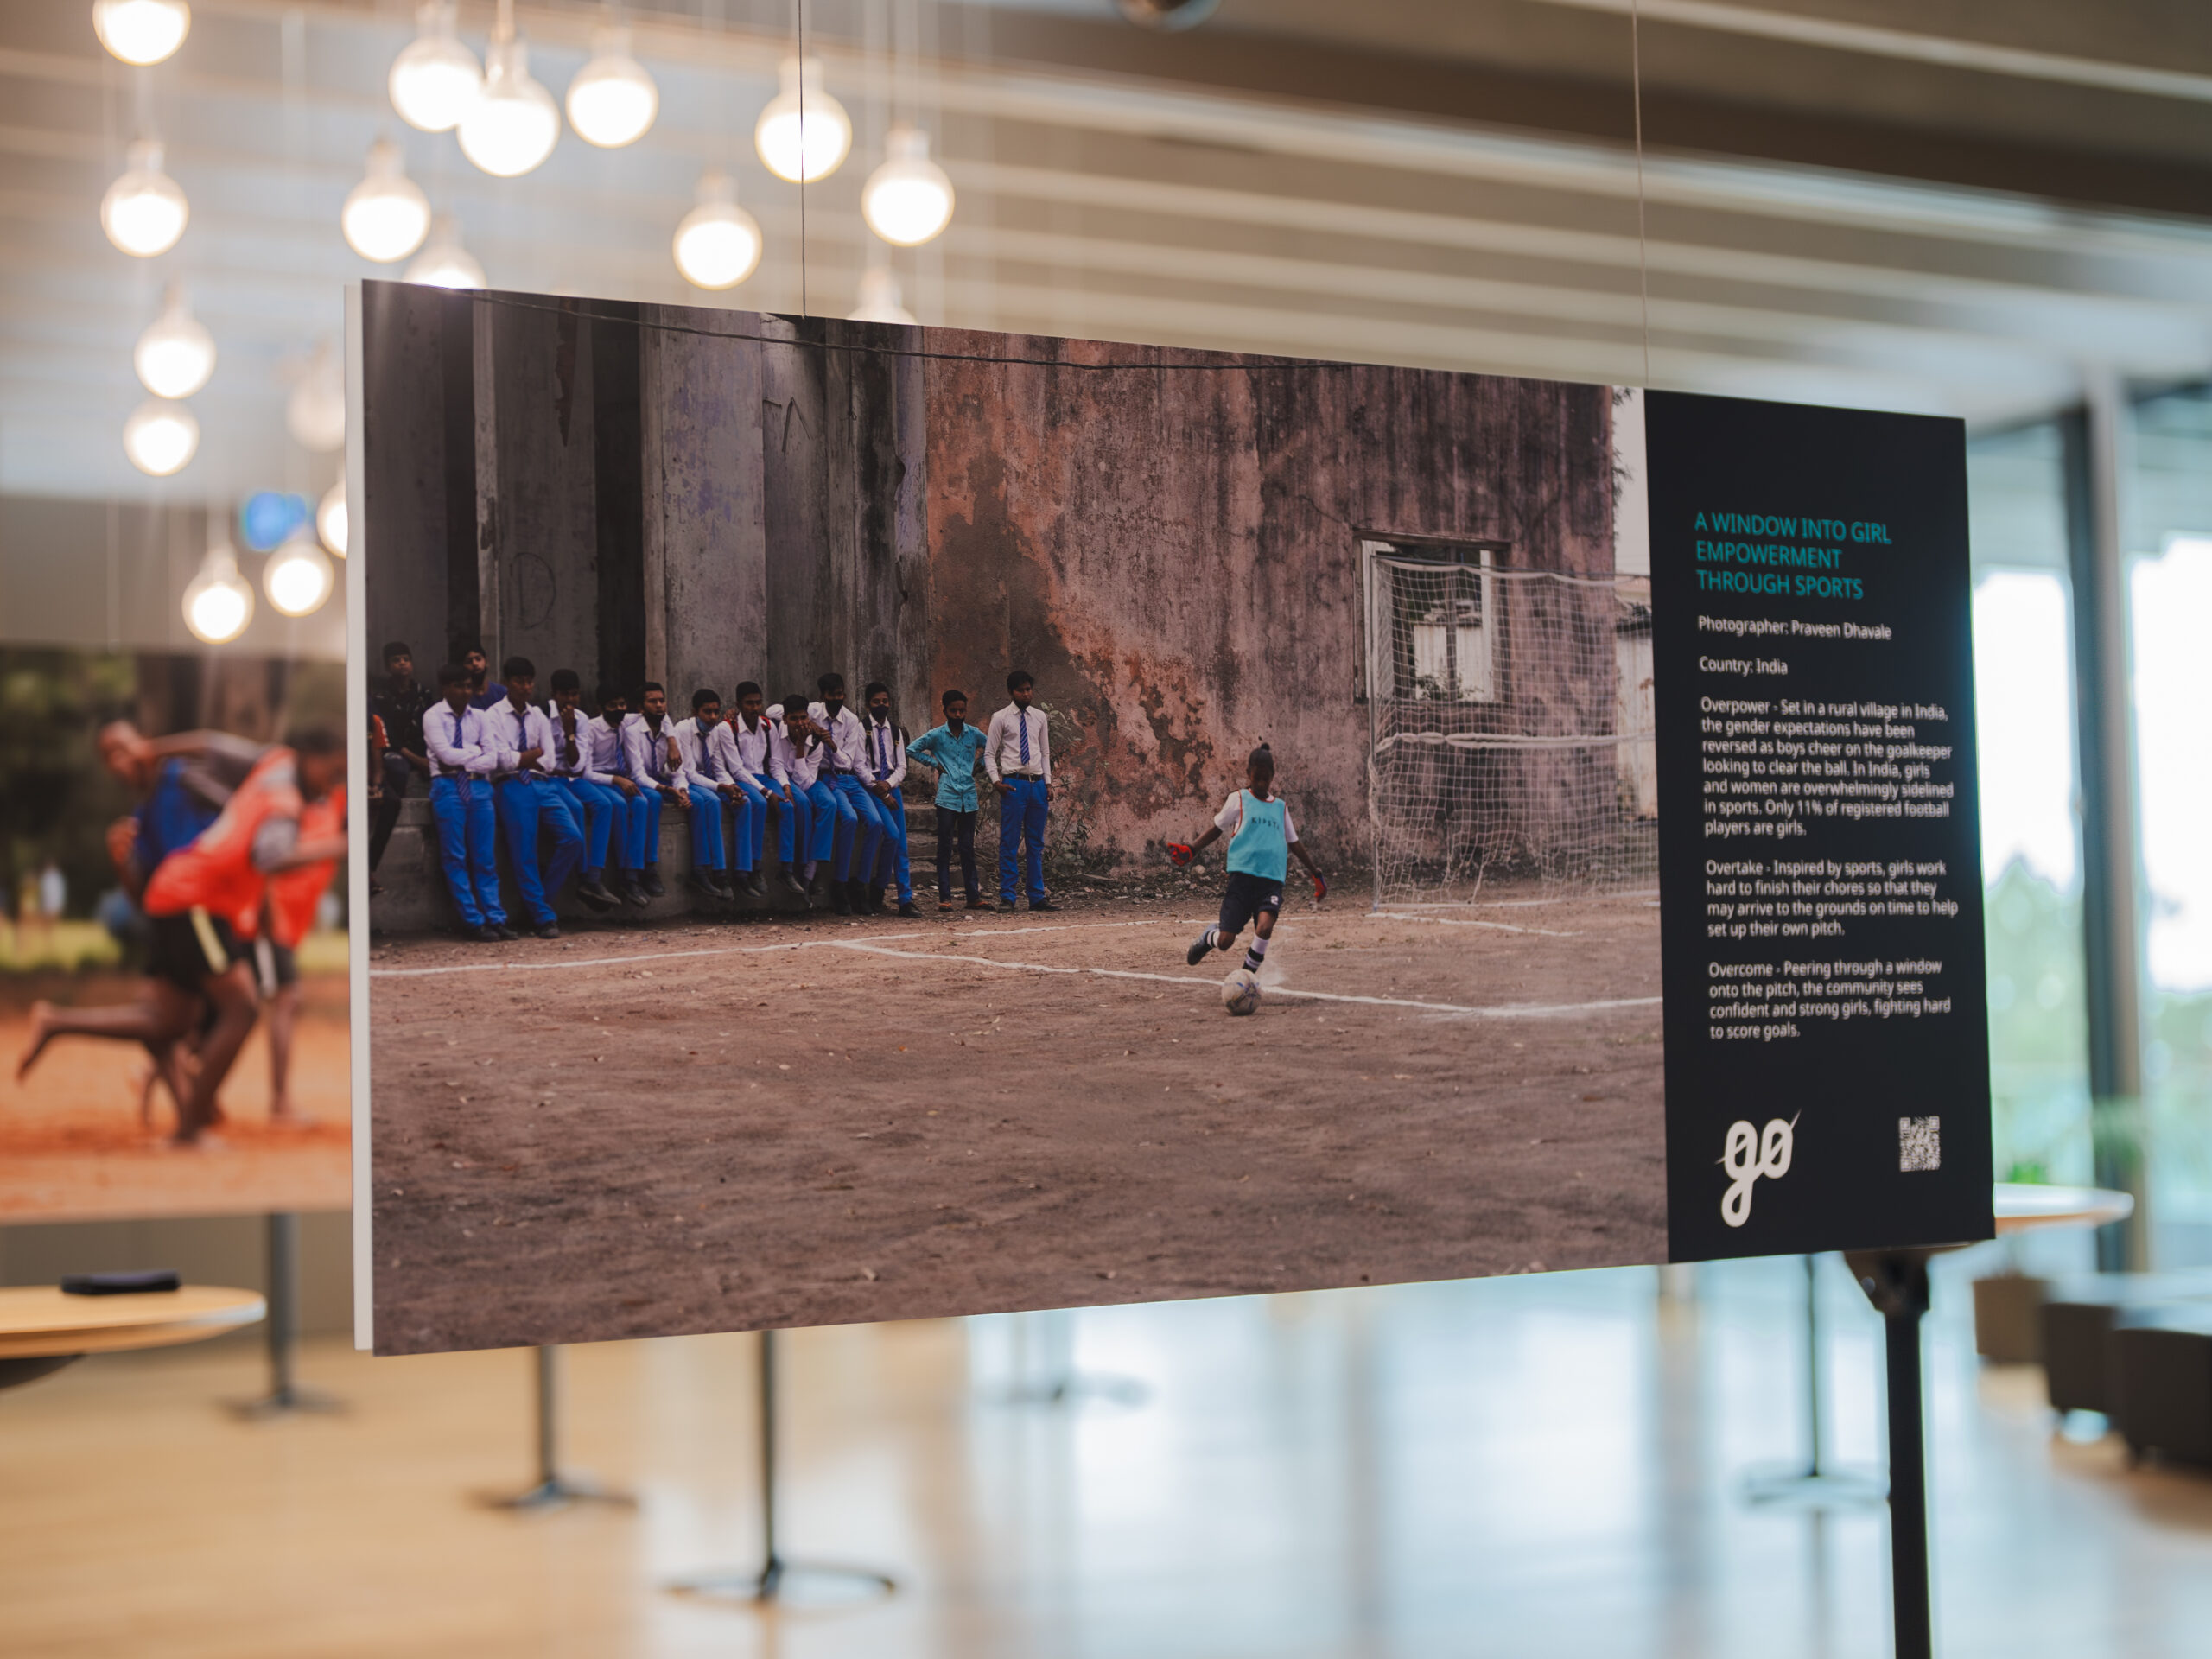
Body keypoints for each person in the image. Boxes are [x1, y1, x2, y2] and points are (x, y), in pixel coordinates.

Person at [19, 734, 349, 1145]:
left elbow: (210, 744)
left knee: (168, 1022)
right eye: (336, 769)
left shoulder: (271, 763)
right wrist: (340, 846)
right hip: (197, 899)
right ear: (311, 758)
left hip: (186, 896)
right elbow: (269, 855)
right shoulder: (282, 801)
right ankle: (190, 1128)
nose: (338, 780)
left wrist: (154, 749)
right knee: (242, 1008)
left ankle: (57, 1022)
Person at [1170, 741, 1327, 977]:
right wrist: (1192, 849)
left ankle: (1246, 978)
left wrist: (1315, 872)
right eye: (1257, 778)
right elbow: (1217, 829)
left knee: (1264, 928)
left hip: (1271, 882)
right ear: (1248, 774)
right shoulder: (1239, 799)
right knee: (1225, 941)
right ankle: (1209, 937)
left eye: (1266, 779)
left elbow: (1294, 843)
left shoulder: (1280, 808)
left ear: (1272, 776)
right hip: (1242, 881)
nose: (1261, 783)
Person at [257, 769, 346, 1125]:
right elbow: (268, 860)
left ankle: (159, 1071)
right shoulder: (290, 808)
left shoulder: (335, 802)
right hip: (270, 917)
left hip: (290, 924)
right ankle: (280, 1103)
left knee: (240, 1005)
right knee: (284, 999)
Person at [484, 657, 588, 937]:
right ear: (506, 683)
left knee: (572, 838)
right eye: (519, 682)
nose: (526, 687)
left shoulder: (538, 716)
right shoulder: (493, 715)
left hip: (543, 784)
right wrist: (532, 755)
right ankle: (542, 916)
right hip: (510, 785)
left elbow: (550, 761)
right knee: (524, 851)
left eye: (530, 682)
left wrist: (524, 757)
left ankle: (540, 902)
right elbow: (502, 760)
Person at [423, 662, 512, 943]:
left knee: (485, 857)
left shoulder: (481, 717)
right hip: (447, 786)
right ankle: (473, 921)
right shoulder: (433, 716)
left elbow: (493, 759)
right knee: (455, 856)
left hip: (480, 787)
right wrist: (475, 753)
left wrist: (463, 757)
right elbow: (445, 757)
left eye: (468, 686)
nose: (465, 692)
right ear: (445, 688)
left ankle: (496, 918)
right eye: (459, 686)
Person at [543, 669, 626, 912]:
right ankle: (582, 878)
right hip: (549, 779)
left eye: (575, 694)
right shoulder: (542, 716)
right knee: (577, 809)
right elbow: (546, 762)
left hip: (571, 777)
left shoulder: (580, 719)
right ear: (554, 694)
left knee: (604, 805)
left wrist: (569, 733)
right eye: (565, 695)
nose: (570, 700)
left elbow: (577, 765)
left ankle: (593, 877)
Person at [808, 672, 887, 917]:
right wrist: (813, 727)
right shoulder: (812, 711)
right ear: (823, 696)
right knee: (850, 819)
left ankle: (859, 884)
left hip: (849, 778)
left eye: (841, 694)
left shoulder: (851, 720)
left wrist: (831, 745)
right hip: (826, 778)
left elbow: (848, 760)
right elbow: (777, 711)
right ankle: (839, 884)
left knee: (876, 823)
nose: (837, 699)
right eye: (832, 695)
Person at [908, 688, 989, 911]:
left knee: (967, 847)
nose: (958, 715)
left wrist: (981, 764)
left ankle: (973, 896)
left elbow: (993, 746)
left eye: (962, 710)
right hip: (946, 797)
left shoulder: (973, 734)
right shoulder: (936, 735)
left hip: (969, 797)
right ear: (944, 710)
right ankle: (945, 897)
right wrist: (934, 764)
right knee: (944, 847)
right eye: (953, 710)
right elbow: (911, 749)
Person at [985, 669, 1056, 913]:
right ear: (1011, 692)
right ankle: (1008, 896)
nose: (1026, 694)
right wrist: (996, 781)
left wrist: (1048, 783)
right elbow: (989, 753)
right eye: (1021, 690)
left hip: (1037, 784)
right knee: (1010, 841)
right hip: (1014, 784)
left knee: (1036, 843)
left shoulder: (1040, 717)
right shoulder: (1001, 718)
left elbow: (1045, 752)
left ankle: (1037, 896)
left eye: (1028, 689)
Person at [585, 684, 655, 905]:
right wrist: (615, 780)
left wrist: (672, 740)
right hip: (599, 780)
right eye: (612, 706)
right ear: (600, 708)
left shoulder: (628, 721)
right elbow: (585, 772)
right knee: (618, 804)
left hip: (620, 779)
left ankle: (635, 871)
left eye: (622, 704)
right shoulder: (590, 729)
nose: (619, 710)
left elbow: (659, 715)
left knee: (642, 802)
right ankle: (626, 876)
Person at [367, 641, 432, 879]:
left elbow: (430, 728)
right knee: (397, 769)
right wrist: (417, 760)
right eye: (396, 660)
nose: (402, 663)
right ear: (388, 666)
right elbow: (387, 736)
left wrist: (428, 758)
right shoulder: (380, 696)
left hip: (421, 751)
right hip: (396, 751)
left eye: (406, 659)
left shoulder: (424, 694)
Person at [623, 683, 688, 903]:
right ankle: (643, 870)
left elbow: (678, 772)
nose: (659, 705)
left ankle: (705, 871)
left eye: (662, 701)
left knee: (697, 801)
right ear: (641, 708)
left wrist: (682, 791)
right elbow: (638, 775)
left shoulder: (670, 734)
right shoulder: (632, 732)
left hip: (662, 782)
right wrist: (667, 789)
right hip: (641, 783)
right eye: (652, 701)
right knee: (651, 799)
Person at [711, 683, 775, 899]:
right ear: (738, 704)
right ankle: (746, 869)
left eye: (758, 703)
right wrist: (766, 791)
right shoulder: (727, 728)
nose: (755, 708)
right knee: (755, 803)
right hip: (737, 778)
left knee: (790, 804)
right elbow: (737, 769)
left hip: (759, 778)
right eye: (749, 703)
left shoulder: (767, 725)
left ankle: (765, 867)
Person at [859, 682, 917, 918]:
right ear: (867, 705)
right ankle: (876, 890)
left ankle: (905, 899)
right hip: (872, 789)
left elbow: (902, 766)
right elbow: (859, 765)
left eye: (885, 701)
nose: (881, 705)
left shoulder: (895, 731)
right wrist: (880, 790)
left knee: (901, 845)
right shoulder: (861, 729)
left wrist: (890, 784)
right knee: (890, 835)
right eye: (876, 702)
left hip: (892, 788)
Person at [674, 689, 736, 901]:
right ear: (695, 712)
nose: (712, 717)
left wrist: (731, 785)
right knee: (708, 801)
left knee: (742, 800)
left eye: (716, 712)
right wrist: (721, 787)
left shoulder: (714, 731)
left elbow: (719, 767)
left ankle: (731, 871)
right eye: (707, 712)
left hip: (706, 780)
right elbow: (689, 772)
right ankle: (707, 871)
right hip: (686, 779)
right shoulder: (682, 730)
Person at [766, 694, 831, 899]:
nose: (800, 723)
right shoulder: (776, 728)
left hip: (806, 778)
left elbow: (806, 782)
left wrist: (801, 746)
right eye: (794, 719)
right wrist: (786, 786)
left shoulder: (816, 741)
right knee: (801, 803)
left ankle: (812, 869)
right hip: (782, 777)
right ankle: (800, 868)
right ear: (785, 719)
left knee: (829, 804)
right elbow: (777, 766)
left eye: (804, 718)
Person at [462, 644, 505, 711]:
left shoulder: (502, 693)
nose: (474, 664)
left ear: (487, 662)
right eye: (469, 661)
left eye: (478, 659)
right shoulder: (462, 697)